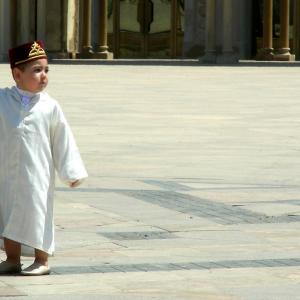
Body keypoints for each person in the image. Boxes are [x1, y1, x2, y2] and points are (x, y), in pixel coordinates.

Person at [0, 40, 88, 276]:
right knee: (8, 214)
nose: (43, 76)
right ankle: (12, 258)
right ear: (17, 74)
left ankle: (42, 259)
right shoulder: (2, 100)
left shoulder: (49, 106)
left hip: (37, 175)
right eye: (36, 70)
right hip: (6, 174)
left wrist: (72, 172)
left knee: (39, 213)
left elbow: (63, 139)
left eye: (46, 70)